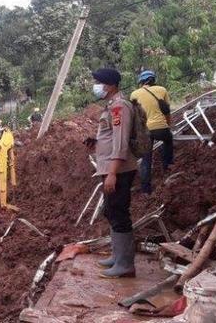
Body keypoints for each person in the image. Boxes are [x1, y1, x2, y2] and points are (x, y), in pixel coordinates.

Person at [84, 68, 138, 279]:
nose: (96, 86)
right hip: (109, 168)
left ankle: (125, 264)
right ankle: (118, 256)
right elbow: (110, 136)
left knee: (118, 211)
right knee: (112, 211)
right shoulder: (111, 107)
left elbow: (121, 142)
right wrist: (96, 143)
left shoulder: (119, 107)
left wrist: (113, 173)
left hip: (119, 170)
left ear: (110, 85)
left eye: (98, 82)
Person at [130, 70, 173, 194]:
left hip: (144, 132)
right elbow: (167, 111)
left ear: (141, 82)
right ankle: (168, 167)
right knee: (168, 140)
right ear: (153, 80)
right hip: (160, 127)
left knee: (146, 159)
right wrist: (168, 126)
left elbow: (135, 116)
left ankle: (146, 189)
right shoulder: (162, 90)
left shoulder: (134, 94)